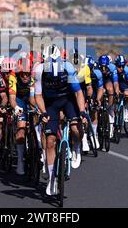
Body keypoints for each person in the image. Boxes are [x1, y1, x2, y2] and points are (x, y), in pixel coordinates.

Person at [34, 45, 89, 196]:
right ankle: (52, 179)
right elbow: (38, 96)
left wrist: (82, 112)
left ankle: (76, 145)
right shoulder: (39, 70)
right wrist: (43, 112)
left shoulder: (68, 67)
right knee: (50, 140)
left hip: (68, 100)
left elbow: (78, 93)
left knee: (76, 130)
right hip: (51, 103)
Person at [98, 54, 119, 140]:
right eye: (101, 67)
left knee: (110, 89)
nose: (103, 69)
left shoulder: (112, 68)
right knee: (101, 91)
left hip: (107, 79)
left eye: (105, 67)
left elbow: (115, 82)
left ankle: (109, 108)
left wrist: (116, 93)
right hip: (99, 80)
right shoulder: (96, 69)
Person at [114, 54, 128, 130]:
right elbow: (114, 83)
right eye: (119, 66)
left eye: (122, 66)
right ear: (115, 65)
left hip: (122, 82)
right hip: (114, 81)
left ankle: (125, 109)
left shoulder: (126, 70)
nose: (121, 68)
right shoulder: (113, 69)